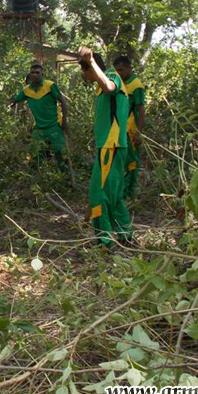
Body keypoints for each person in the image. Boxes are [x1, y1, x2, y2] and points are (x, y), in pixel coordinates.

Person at [78, 47, 132, 246]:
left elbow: (109, 87)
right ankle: (126, 235)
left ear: (90, 69)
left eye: (84, 71)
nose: (84, 76)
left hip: (111, 146)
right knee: (113, 195)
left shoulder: (111, 76)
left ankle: (104, 240)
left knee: (98, 194)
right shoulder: (102, 85)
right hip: (112, 147)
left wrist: (90, 61)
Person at [10, 64, 70, 174]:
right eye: (33, 72)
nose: (35, 75)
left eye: (37, 72)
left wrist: (64, 121)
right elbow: (14, 100)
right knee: (35, 153)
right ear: (30, 74)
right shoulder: (26, 90)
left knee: (61, 152)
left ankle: (66, 177)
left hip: (53, 125)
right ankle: (37, 178)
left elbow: (63, 101)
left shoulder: (50, 85)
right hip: (39, 128)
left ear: (42, 73)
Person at [113, 56, 146, 199]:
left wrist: (139, 132)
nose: (118, 73)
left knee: (131, 162)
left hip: (130, 130)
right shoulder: (120, 83)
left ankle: (129, 193)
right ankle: (121, 191)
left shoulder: (136, 85)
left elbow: (140, 109)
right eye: (116, 71)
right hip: (119, 129)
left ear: (129, 68)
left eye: (121, 70)